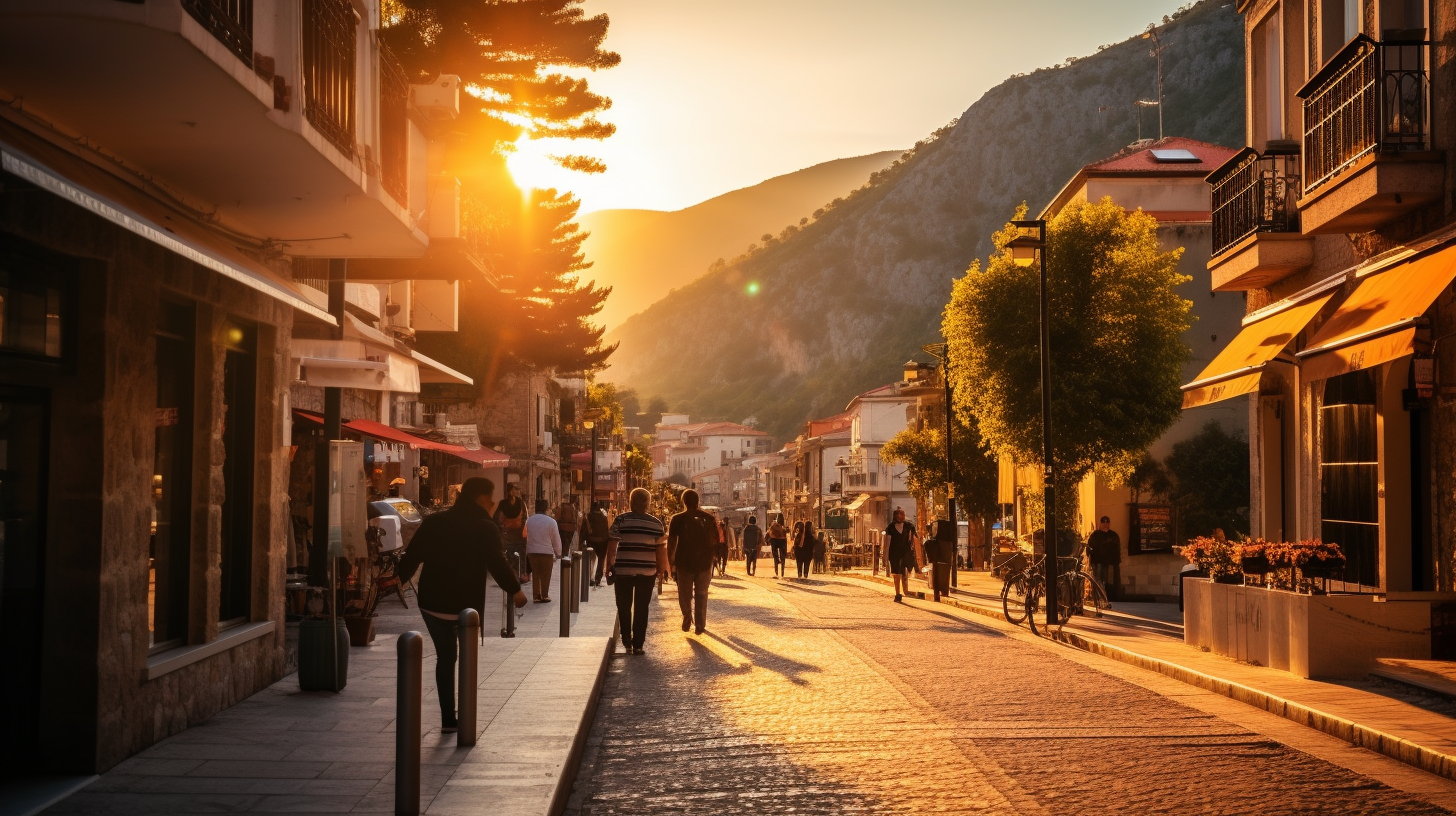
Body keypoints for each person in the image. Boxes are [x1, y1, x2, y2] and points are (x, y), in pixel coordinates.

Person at [397, 477, 527, 733]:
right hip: (465, 608)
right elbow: (497, 564)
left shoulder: (435, 522)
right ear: (480, 498)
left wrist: (397, 582)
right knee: (465, 657)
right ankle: (463, 712)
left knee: (446, 658)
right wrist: (515, 591)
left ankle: (449, 718)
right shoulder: (485, 527)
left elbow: (412, 557)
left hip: (432, 602)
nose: (493, 503)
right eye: (490, 498)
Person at [606, 488, 668, 654]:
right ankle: (638, 644)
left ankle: (626, 637)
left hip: (623, 570)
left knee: (623, 605)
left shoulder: (620, 520)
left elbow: (612, 546)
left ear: (631, 502)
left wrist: (608, 567)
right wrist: (661, 570)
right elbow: (660, 549)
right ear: (648, 504)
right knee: (642, 607)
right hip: (647, 572)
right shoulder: (656, 523)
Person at [668, 489, 718, 634]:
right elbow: (715, 542)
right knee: (702, 592)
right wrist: (713, 560)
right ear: (698, 501)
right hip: (704, 562)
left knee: (685, 593)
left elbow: (671, 542)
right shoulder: (708, 519)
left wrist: (670, 561)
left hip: (684, 561)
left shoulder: (677, 519)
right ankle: (700, 624)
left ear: (684, 502)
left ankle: (687, 616)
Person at [525, 498, 563, 602]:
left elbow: (525, 535)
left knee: (536, 573)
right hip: (546, 551)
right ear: (546, 509)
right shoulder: (551, 521)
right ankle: (544, 595)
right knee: (546, 573)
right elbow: (555, 537)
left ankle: (536, 596)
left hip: (532, 551)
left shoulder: (529, 520)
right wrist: (558, 552)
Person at [494, 483, 528, 581]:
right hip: (519, 534)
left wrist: (502, 528)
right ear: (510, 491)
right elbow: (525, 517)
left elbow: (496, 517)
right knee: (521, 555)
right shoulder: (520, 502)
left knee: (510, 555)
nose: (516, 491)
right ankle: (521, 575)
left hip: (508, 534)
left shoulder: (503, 503)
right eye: (515, 489)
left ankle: (513, 574)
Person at [884, 507, 919, 603]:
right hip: (894, 553)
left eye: (903, 514)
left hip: (905, 552)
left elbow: (915, 539)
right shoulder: (890, 528)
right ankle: (897, 593)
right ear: (896, 516)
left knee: (904, 572)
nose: (903, 516)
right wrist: (885, 558)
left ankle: (905, 591)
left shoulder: (909, 526)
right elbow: (887, 543)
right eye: (901, 514)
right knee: (896, 574)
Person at [585, 502, 611, 586]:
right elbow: (606, 530)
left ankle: (589, 577)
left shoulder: (589, 516)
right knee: (601, 559)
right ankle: (598, 577)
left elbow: (584, 530)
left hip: (591, 540)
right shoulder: (604, 517)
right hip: (602, 541)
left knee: (590, 559)